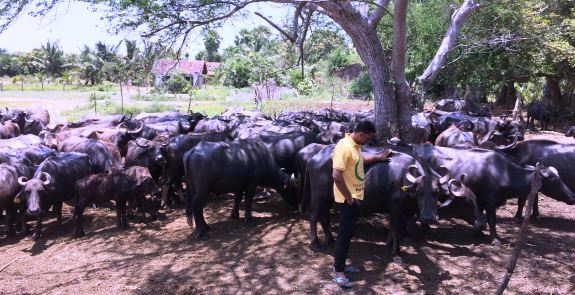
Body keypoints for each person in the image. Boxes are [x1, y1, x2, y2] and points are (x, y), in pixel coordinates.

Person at [331, 121, 392, 288]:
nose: (368, 142)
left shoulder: (354, 146)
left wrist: (378, 157)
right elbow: (336, 175)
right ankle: (338, 273)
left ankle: (341, 264)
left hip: (355, 198)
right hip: (347, 200)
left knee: (349, 233)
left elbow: (360, 160)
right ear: (361, 134)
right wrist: (349, 197)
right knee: (344, 236)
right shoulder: (343, 146)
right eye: (368, 138)